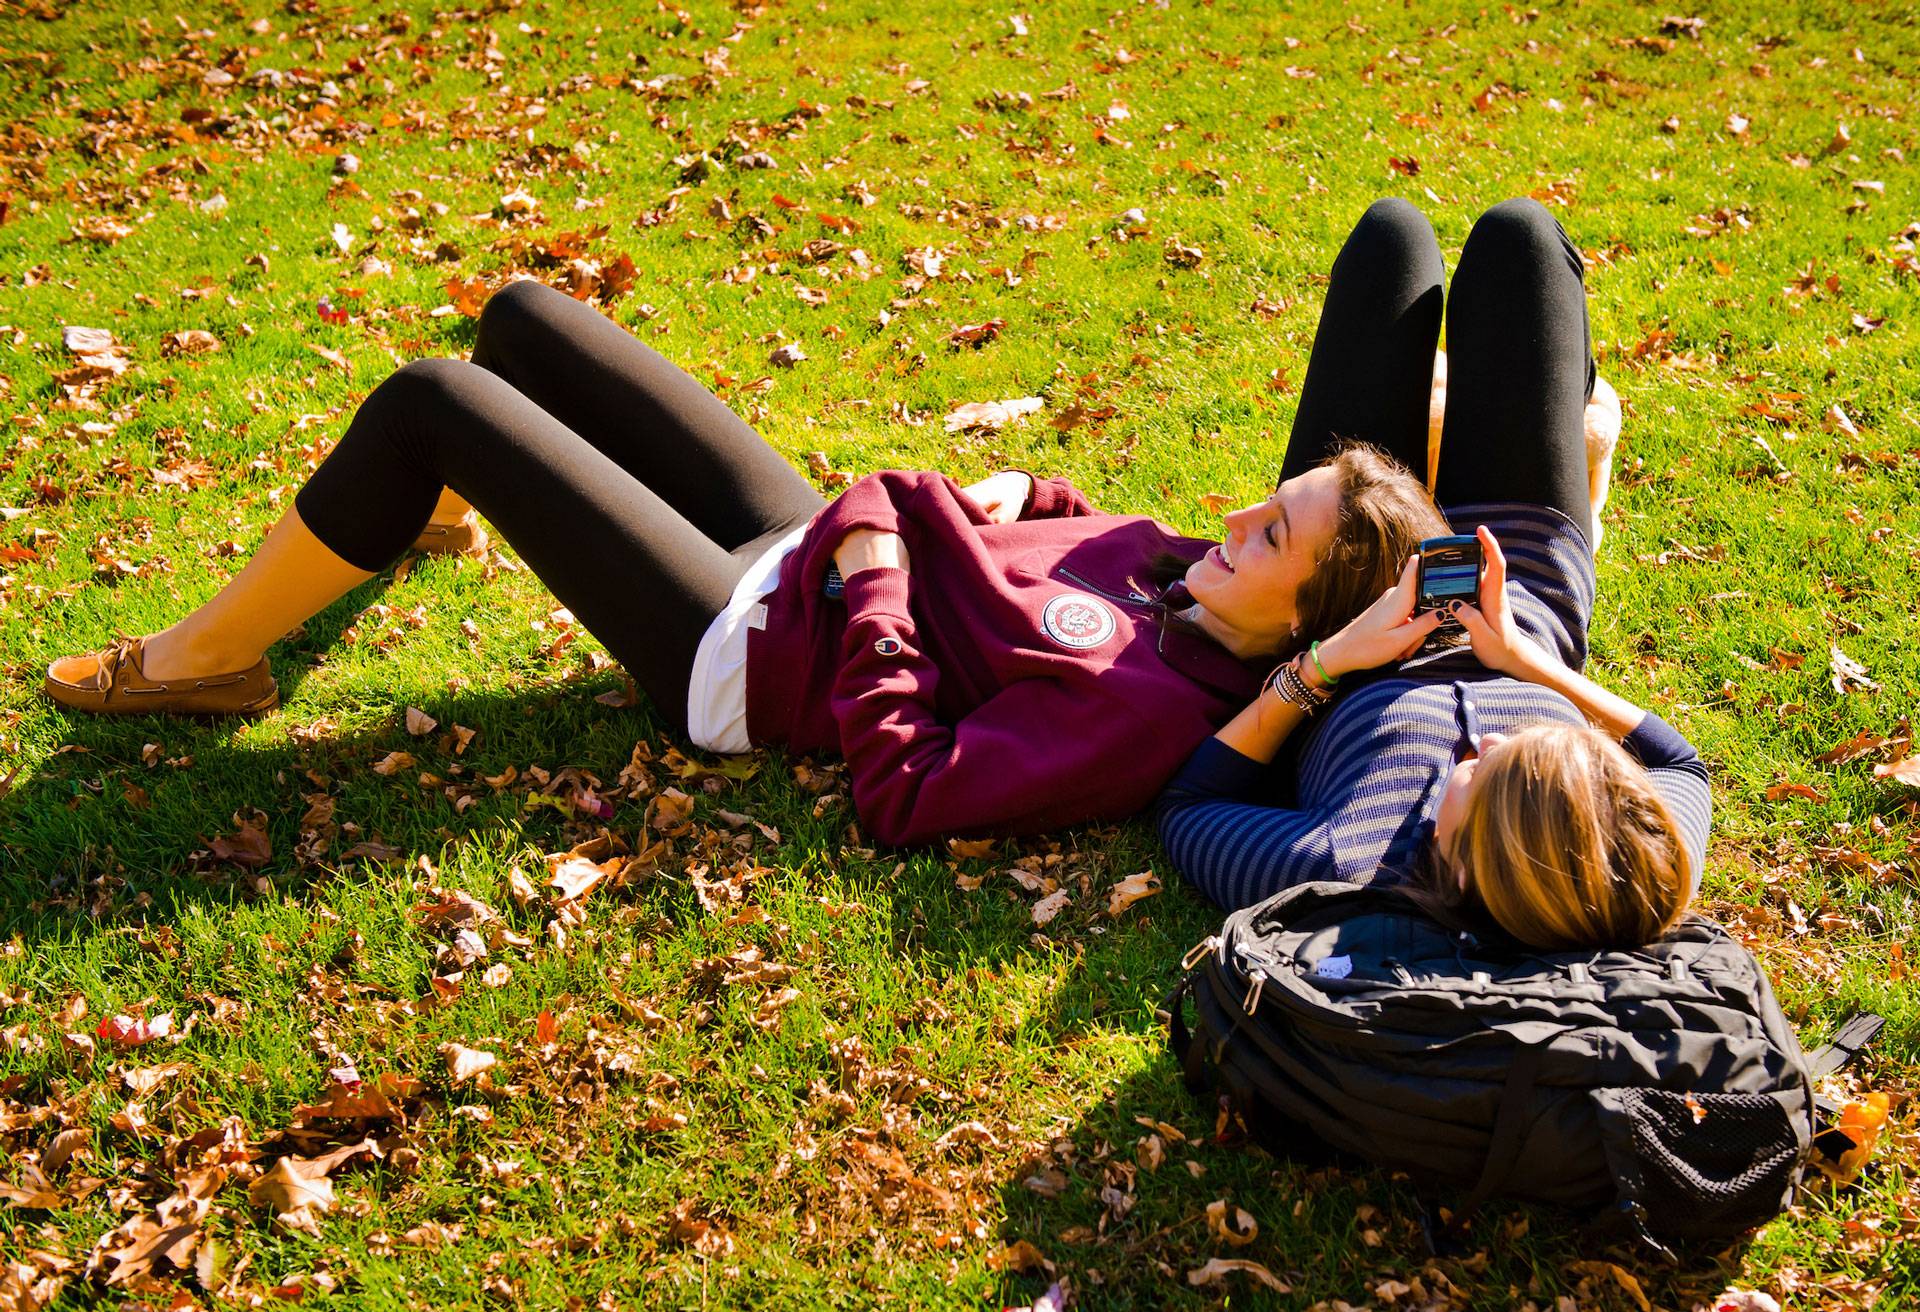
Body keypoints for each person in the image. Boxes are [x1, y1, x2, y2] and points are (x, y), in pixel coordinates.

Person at [43, 279, 1452, 846]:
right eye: (1276, 500)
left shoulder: (1146, 711)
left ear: (1297, 624)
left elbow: (907, 795)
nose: (1241, 523)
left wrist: (888, 574)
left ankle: (214, 658)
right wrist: (1004, 492)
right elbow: (1071, 529)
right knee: (526, 320)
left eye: (1277, 537)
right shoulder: (1183, 565)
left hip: (744, 650)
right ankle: (418, 509)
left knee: (437, 397)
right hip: (804, 544)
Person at [1158, 197, 1709, 953]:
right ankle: (1553, 429)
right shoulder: (1627, 861)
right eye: (1525, 747)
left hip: (1339, 597)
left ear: (1461, 859)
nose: (1477, 747)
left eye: (1481, 774)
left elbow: (1189, 805)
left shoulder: (1338, 869)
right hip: (1519, 586)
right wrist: (1524, 661)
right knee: (1520, 240)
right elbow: (1681, 763)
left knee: (1391, 240)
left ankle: (1464, 431)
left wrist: (1329, 661)